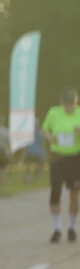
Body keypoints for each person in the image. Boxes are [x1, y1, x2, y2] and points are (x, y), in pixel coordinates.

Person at [42, 88, 80, 243]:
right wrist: (50, 137)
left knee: (74, 193)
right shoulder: (54, 112)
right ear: (62, 102)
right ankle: (57, 228)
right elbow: (45, 129)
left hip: (75, 156)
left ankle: (71, 227)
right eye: (67, 103)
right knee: (55, 190)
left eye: (72, 103)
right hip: (57, 156)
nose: (69, 106)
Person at [23, 116, 45, 184]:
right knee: (38, 165)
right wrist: (43, 152)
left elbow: (26, 143)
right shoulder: (41, 132)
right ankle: (34, 178)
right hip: (38, 151)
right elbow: (43, 143)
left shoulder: (28, 132)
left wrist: (24, 152)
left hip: (30, 150)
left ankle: (28, 177)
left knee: (28, 165)